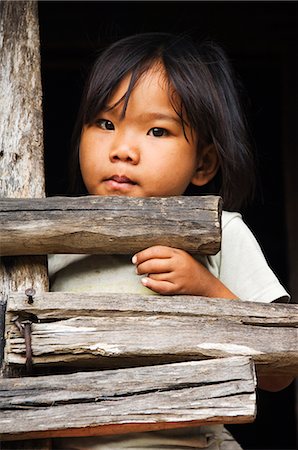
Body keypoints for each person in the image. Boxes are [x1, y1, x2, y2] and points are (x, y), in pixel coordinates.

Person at [49, 32, 293, 449]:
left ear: (204, 163)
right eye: (105, 124)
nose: (123, 149)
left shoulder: (221, 234)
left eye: (157, 131)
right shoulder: (48, 239)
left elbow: (280, 373)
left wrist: (206, 290)